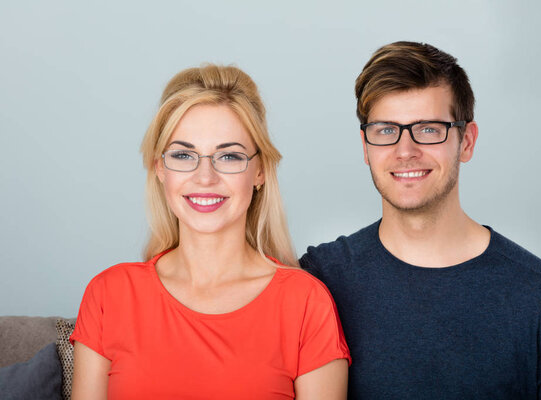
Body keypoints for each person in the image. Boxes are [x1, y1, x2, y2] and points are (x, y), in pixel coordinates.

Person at [299, 41, 541, 399]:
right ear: (365, 147)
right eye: (385, 130)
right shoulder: (319, 281)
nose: (405, 151)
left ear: (467, 141)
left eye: (428, 129)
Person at [70, 64, 350, 400]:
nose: (205, 176)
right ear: (160, 169)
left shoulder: (306, 303)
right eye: (184, 155)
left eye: (229, 156)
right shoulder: (108, 296)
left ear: (259, 171)